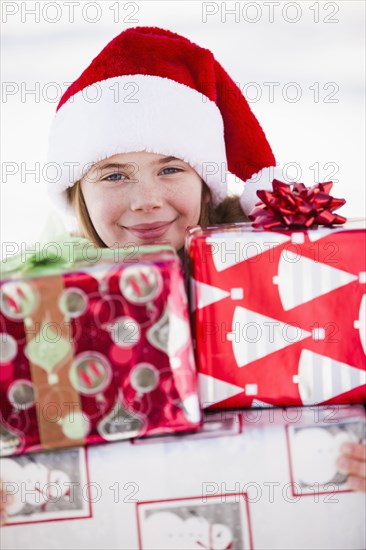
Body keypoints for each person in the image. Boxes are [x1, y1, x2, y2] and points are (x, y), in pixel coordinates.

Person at [1, 26, 365, 525]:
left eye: (171, 169)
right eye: (114, 174)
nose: (147, 198)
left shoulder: (297, 262)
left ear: (206, 181)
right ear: (77, 192)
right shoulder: (38, 299)